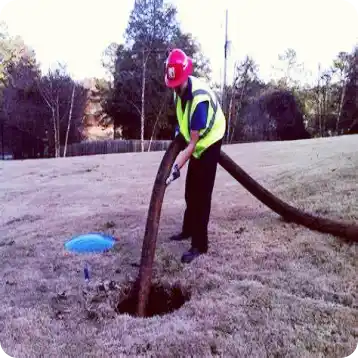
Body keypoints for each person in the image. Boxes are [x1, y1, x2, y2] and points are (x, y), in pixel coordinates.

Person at [164, 48, 226, 264]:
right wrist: (176, 133)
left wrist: (176, 168)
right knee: (191, 191)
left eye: (177, 85)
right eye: (172, 86)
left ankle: (200, 244)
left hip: (209, 142)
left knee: (201, 195)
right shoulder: (177, 88)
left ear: (184, 77)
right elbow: (182, 118)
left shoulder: (199, 101)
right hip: (195, 139)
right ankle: (188, 230)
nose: (175, 90)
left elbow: (192, 145)